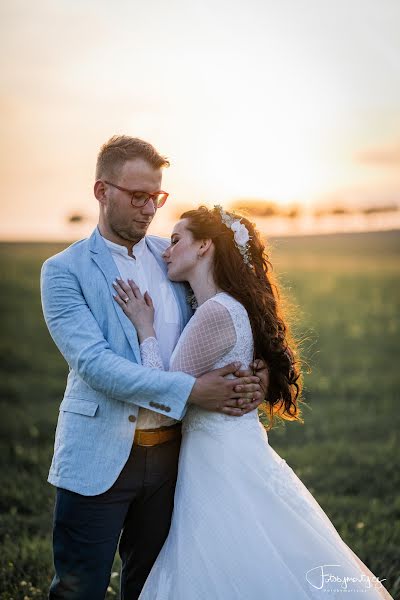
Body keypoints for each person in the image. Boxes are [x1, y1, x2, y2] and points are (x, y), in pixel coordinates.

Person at [113, 205, 393, 599]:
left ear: (205, 246)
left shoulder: (214, 312)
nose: (166, 250)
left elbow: (163, 393)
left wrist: (144, 326)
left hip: (216, 459)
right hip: (233, 446)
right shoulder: (229, 307)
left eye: (177, 240)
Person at [40, 136, 269, 599]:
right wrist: (191, 391)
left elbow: (231, 315)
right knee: (76, 589)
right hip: (98, 455)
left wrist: (255, 372)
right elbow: (95, 365)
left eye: (156, 197)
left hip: (175, 457)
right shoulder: (63, 270)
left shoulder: (176, 255)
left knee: (154, 587)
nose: (149, 209)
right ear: (102, 191)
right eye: (137, 196)